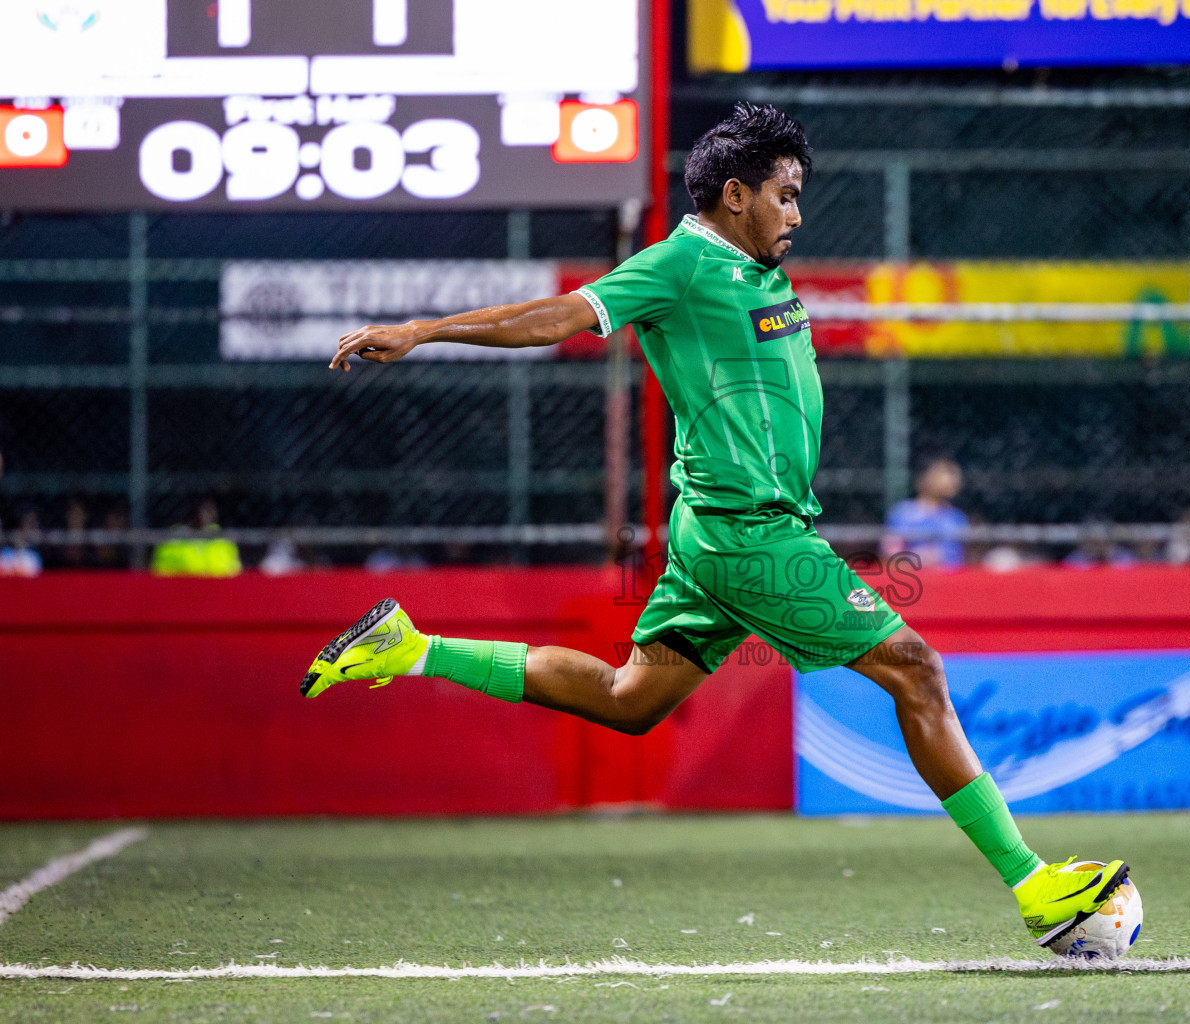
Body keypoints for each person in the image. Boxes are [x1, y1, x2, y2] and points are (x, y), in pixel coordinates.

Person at [303, 103, 1126, 947]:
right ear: (735, 195)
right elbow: (556, 316)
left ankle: (409, 648)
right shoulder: (681, 264)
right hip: (750, 536)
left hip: (717, 535)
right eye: (785, 195)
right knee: (917, 672)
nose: (797, 215)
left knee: (630, 700)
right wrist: (425, 331)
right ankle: (1035, 886)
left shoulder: (761, 271)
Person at [881, 457, 968, 569]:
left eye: (954, 474)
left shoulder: (957, 517)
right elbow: (890, 555)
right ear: (923, 478)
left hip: (951, 580)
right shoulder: (902, 513)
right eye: (945, 473)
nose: (952, 480)